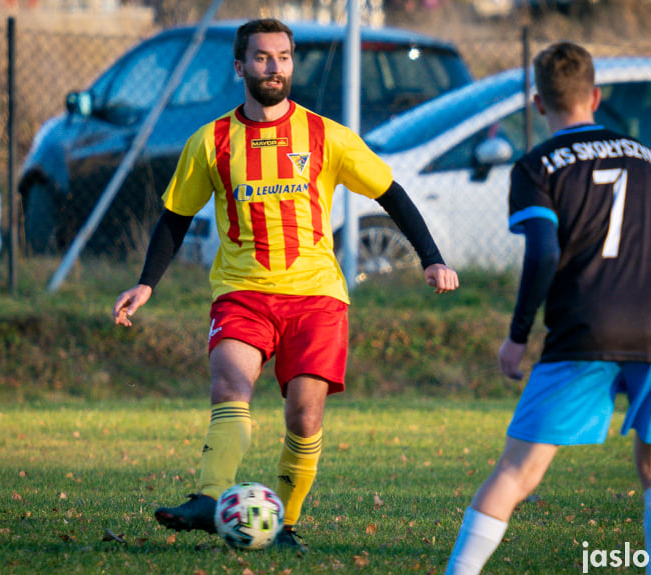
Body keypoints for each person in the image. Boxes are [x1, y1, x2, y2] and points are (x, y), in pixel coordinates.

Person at [112, 18, 459, 552]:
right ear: (239, 66)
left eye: (283, 57)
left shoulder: (327, 135)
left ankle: (284, 524)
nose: (273, 68)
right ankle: (208, 499)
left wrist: (431, 258)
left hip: (317, 296)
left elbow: (390, 193)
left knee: (304, 413)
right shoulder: (211, 141)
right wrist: (146, 284)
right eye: (261, 58)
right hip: (243, 291)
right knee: (230, 386)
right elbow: (175, 217)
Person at [445, 41, 651, 575]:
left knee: (518, 470)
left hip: (586, 326)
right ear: (596, 95)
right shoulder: (648, 159)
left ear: (539, 103)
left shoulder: (537, 165)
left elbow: (542, 250)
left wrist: (518, 335)